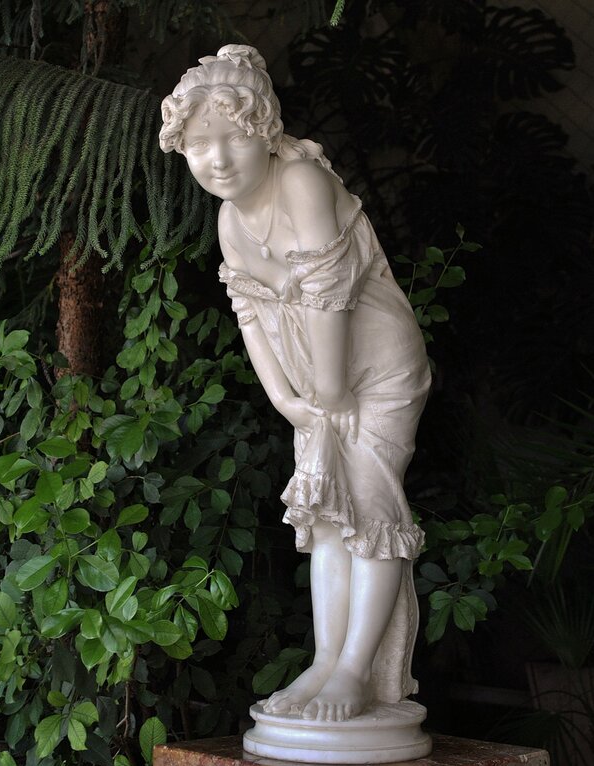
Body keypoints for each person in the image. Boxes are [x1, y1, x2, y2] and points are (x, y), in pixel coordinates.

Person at [160, 45, 431, 723]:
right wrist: (289, 400)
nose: (218, 159)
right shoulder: (229, 219)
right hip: (315, 383)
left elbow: (328, 293)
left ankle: (357, 670)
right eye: (199, 145)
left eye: (233, 138)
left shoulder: (302, 182)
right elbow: (249, 311)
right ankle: (326, 660)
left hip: (374, 368)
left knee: (370, 511)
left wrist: (332, 393)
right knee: (327, 518)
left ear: (265, 132)